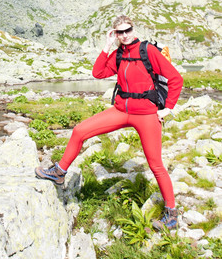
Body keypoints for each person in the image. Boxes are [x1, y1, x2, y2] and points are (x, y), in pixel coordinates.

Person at [35, 15, 183, 231]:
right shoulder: (118, 53)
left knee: (156, 165)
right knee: (79, 131)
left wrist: (167, 108)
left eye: (127, 30)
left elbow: (175, 79)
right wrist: (106, 47)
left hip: (147, 115)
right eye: (119, 32)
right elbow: (98, 72)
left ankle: (171, 214)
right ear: (115, 33)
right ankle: (59, 172)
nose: (124, 35)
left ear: (134, 28)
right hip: (120, 110)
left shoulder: (148, 50)